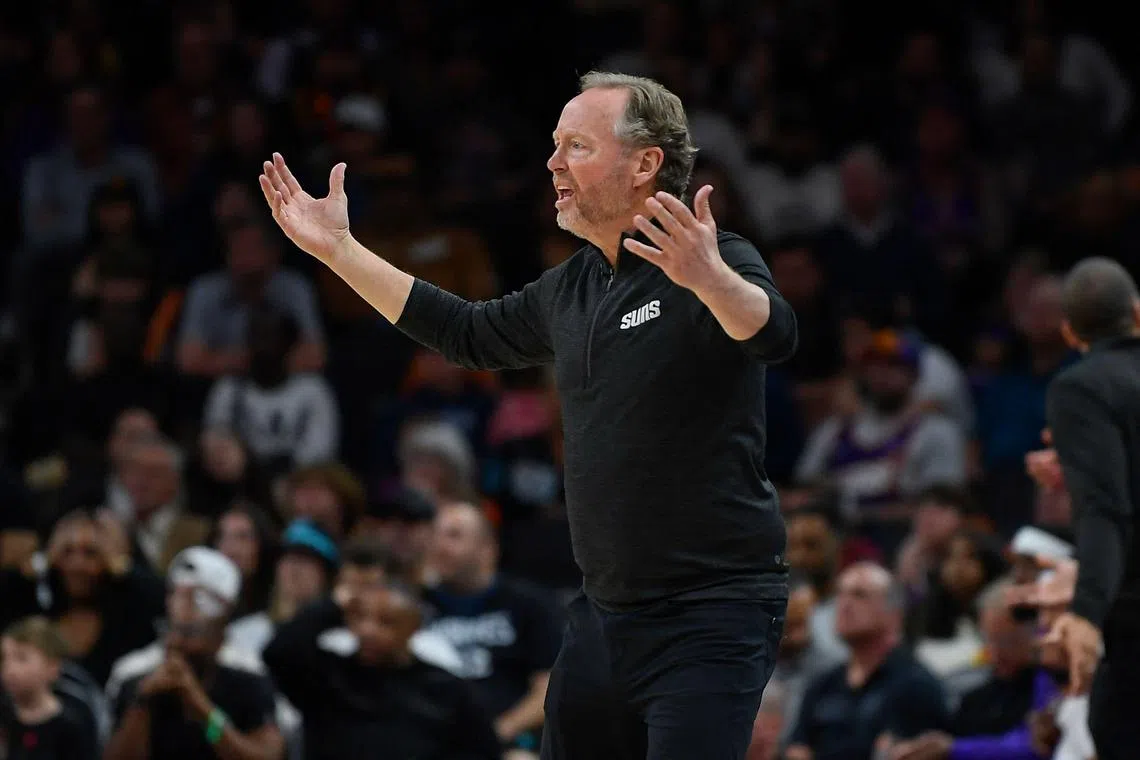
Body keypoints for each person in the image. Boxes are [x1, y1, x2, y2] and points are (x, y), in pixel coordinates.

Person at [260, 70, 797, 760]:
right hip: (605, 612)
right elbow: (465, 333)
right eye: (553, 145)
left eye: (576, 145)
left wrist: (712, 280)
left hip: (710, 609)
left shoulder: (709, 257)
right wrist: (339, 251)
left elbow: (774, 332)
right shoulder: (569, 288)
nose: (551, 164)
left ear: (645, 164)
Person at [1038, 256, 1140, 760]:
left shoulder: (1081, 386)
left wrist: (1086, 613)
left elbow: (1107, 508)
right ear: (1138, 314)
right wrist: (1072, 463)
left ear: (1070, 333)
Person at [262, 577, 500, 760]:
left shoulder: (447, 690)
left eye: (385, 622)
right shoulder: (326, 675)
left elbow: (484, 751)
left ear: (413, 626)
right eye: (360, 618)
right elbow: (279, 651)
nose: (368, 631)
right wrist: (335, 604)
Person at [103, 547, 284, 760]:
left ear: (225, 612)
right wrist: (143, 703)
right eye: (177, 594)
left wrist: (203, 711)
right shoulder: (134, 673)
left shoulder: (248, 675)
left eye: (197, 597)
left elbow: (268, 755)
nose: (185, 608)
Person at [424, 501, 563, 754]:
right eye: (435, 535)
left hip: (505, 741)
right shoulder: (414, 604)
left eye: (453, 536)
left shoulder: (529, 604)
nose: (438, 545)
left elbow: (549, 690)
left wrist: (497, 732)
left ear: (487, 549)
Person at [784, 563, 948, 760]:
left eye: (859, 595)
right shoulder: (823, 684)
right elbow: (797, 748)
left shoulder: (918, 686)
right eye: (840, 594)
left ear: (894, 613)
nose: (844, 604)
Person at [1, 617, 98, 760]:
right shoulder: (4, 715)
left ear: (52, 667)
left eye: (21, 658)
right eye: (3, 658)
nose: (9, 669)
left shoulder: (71, 725)